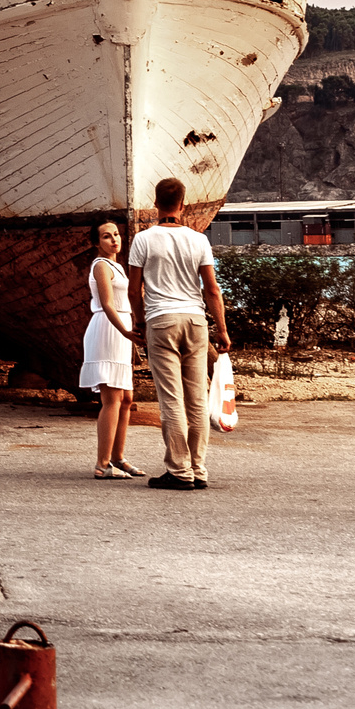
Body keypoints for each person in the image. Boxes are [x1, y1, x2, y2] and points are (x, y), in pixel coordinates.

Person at [126, 177, 230, 491]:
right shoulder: (199, 240)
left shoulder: (143, 240)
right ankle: (198, 470)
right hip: (196, 322)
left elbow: (134, 290)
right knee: (197, 398)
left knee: (171, 399)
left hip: (162, 321)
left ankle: (179, 470)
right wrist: (222, 329)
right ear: (183, 205)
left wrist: (140, 323)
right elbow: (211, 289)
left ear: (155, 204)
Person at [80, 221, 142, 479]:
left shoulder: (116, 265)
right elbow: (107, 304)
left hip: (121, 332)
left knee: (126, 399)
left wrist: (131, 332)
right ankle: (102, 463)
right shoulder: (101, 265)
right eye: (106, 236)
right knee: (112, 399)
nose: (114, 240)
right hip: (108, 330)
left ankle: (118, 457)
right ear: (97, 242)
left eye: (116, 235)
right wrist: (125, 331)